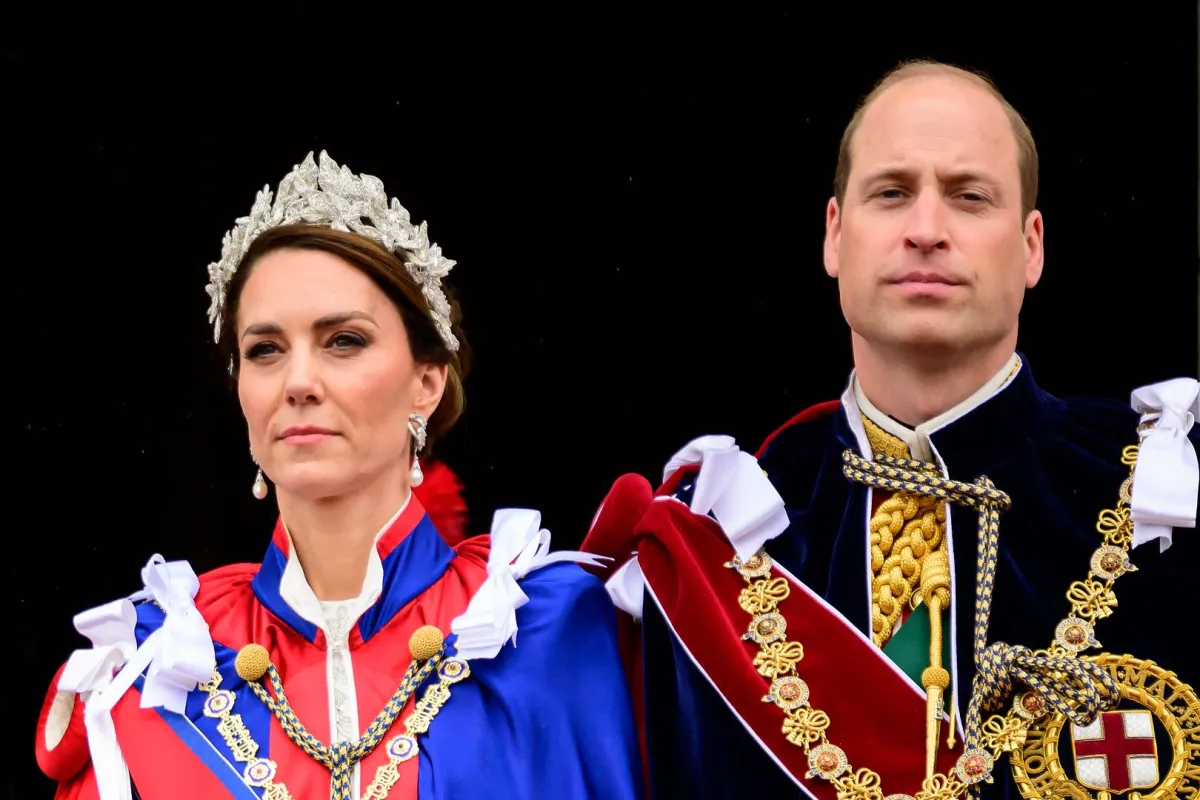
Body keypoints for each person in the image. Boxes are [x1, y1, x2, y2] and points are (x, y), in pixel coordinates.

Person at [582, 60, 1199, 800]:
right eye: (892, 194)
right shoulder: (717, 536)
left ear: (1032, 246)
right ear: (835, 236)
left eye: (969, 198)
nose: (927, 231)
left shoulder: (1168, 495)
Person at [35, 151, 643, 800]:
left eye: (343, 341)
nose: (299, 382)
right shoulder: (161, 671)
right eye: (265, 350)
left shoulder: (547, 632)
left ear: (426, 383)